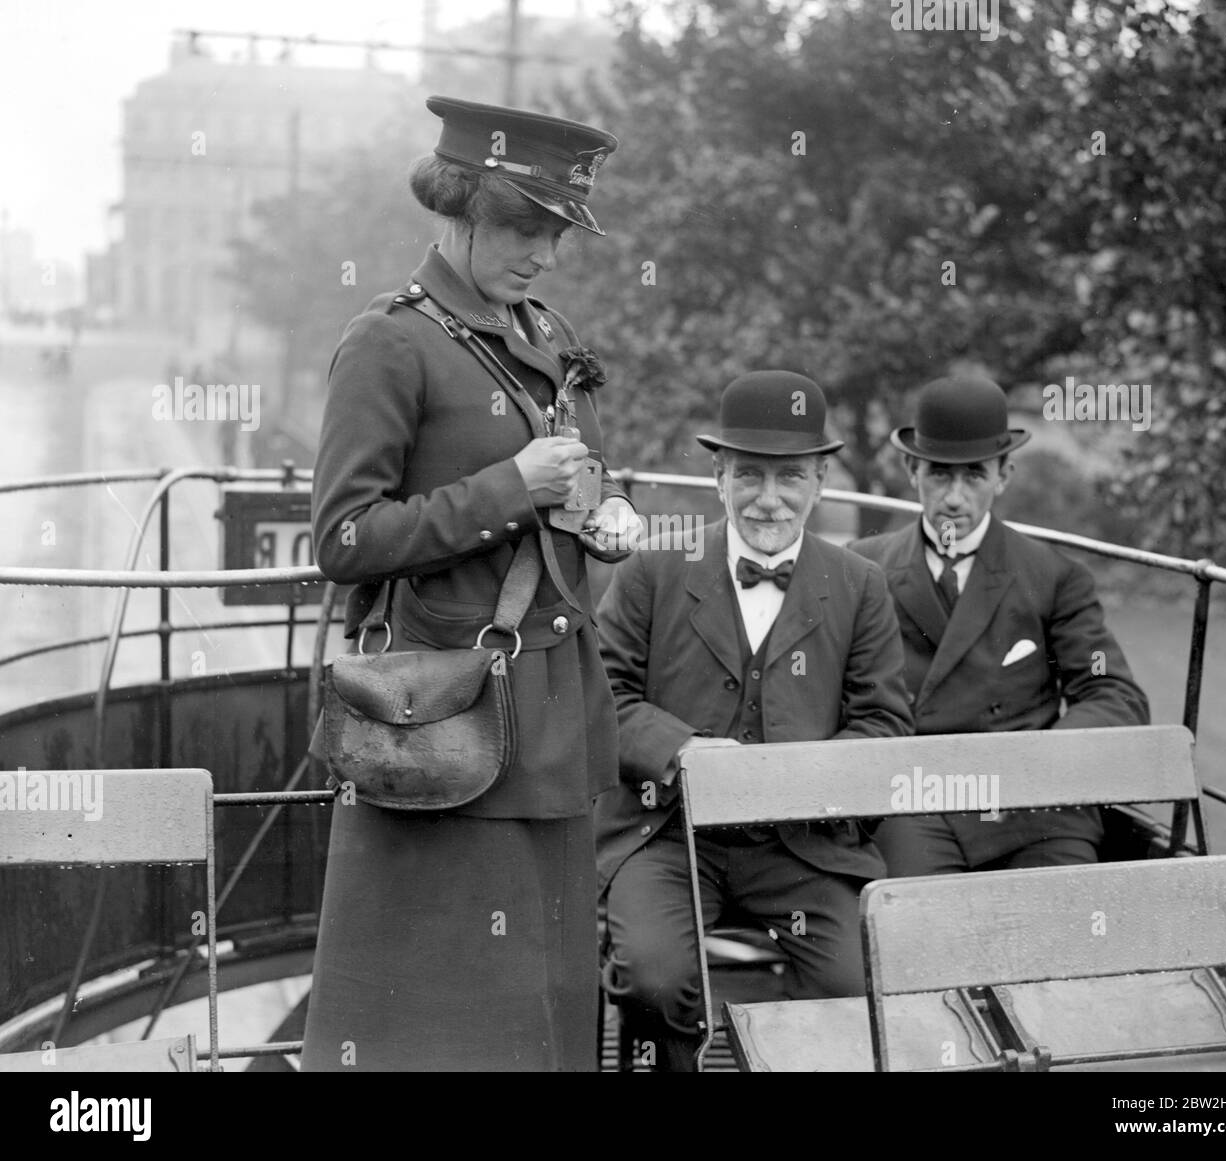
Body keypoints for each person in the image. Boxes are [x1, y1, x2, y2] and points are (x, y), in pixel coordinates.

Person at [302, 96, 640, 1072]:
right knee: (447, 1019)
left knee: (545, 1001)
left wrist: (594, 516)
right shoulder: (390, 341)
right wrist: (509, 488)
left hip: (553, 716)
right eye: (522, 227)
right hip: (451, 725)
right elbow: (344, 537)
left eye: (556, 232)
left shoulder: (538, 328)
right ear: (458, 206)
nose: (543, 252)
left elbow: (563, 479)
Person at [595, 371, 914, 1071]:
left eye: (791, 478)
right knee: (654, 976)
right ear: (718, 475)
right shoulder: (654, 566)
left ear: (822, 479)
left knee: (849, 987)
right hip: (668, 836)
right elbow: (601, 697)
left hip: (801, 848)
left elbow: (885, 725)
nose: (769, 500)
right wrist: (680, 750)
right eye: (749, 476)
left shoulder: (859, 586)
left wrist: (796, 775)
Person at [849, 375, 1150, 875]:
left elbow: (1115, 694)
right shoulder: (864, 570)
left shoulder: (1053, 576)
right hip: (914, 803)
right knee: (918, 926)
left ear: (1004, 475)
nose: (954, 499)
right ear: (911, 469)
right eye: (940, 475)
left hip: (1032, 807)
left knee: (1061, 926)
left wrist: (1039, 761)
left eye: (974, 476)